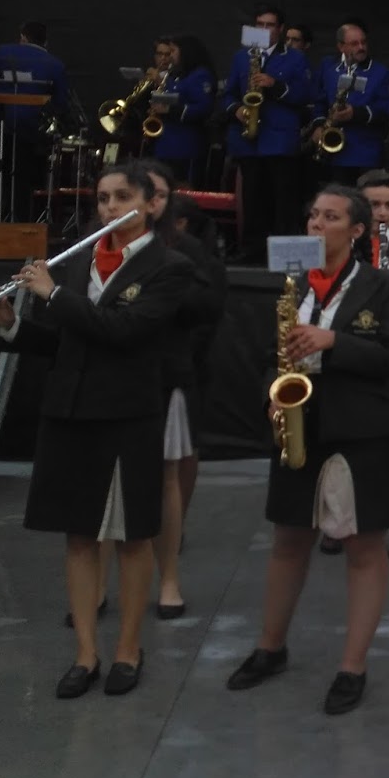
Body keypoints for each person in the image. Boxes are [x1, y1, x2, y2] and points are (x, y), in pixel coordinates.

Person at [0, 162, 194, 698]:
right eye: (102, 198)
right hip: (69, 414)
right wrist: (11, 324)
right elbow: (63, 342)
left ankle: (128, 649)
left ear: (148, 204)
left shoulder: (169, 267)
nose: (110, 207)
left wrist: (53, 295)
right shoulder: (78, 262)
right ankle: (85, 654)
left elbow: (124, 331)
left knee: (131, 537)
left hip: (126, 416)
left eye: (122, 196)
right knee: (78, 536)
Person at [225, 185, 389, 716]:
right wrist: (271, 389)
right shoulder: (293, 284)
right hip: (300, 421)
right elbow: (270, 353)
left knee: (364, 546)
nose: (316, 224)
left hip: (363, 428)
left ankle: (352, 666)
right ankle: (270, 647)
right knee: (288, 539)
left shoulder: (385, 286)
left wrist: (334, 343)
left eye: (330, 217)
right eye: (313, 215)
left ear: (356, 231)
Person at [316, 168, 389, 556]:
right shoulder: (337, 245)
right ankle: (333, 524)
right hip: (341, 360)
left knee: (382, 457)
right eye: (374, 205)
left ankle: (373, 530)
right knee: (334, 449)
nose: (382, 212)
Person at [141, 162, 226, 616]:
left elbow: (209, 306)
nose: (148, 202)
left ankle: (169, 574)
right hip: (116, 372)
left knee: (171, 469)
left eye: (157, 194)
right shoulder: (97, 245)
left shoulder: (186, 248)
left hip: (175, 367)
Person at [221, 5, 312, 263]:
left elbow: (305, 95)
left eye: (269, 25)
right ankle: (252, 251)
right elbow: (228, 94)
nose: (263, 29)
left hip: (280, 140)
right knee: (252, 199)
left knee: (283, 200)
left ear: (280, 29)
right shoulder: (242, 56)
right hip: (249, 140)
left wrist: (275, 85)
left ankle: (283, 255)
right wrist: (237, 109)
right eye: (259, 25)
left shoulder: (295, 58)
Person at [0, 22, 69, 221]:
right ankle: (20, 220)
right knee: (22, 179)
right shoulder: (55, 64)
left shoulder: (3, 52)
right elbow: (61, 103)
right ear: (45, 41)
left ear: (23, 37)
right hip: (29, 129)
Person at [308, 21, 389, 188]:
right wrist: (318, 125)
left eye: (363, 42)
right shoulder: (329, 69)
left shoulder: (380, 72)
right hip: (333, 154)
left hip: (365, 153)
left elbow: (387, 109)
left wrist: (355, 113)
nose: (361, 47)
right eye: (354, 43)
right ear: (341, 46)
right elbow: (319, 101)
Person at [148, 34, 218, 188]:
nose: (170, 56)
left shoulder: (200, 75)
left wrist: (170, 108)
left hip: (186, 146)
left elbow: (204, 108)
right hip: (165, 144)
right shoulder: (176, 75)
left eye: (173, 51)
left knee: (184, 191)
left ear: (186, 52)